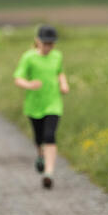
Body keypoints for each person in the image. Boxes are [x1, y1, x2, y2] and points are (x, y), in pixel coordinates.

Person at [13, 25, 69, 189]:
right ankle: (40, 154)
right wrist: (29, 84)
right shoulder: (28, 57)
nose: (49, 47)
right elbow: (18, 78)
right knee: (39, 137)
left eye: (51, 44)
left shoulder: (57, 56)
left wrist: (64, 83)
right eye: (46, 44)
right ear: (38, 42)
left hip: (53, 103)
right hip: (34, 104)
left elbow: (60, 72)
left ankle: (48, 173)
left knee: (50, 135)